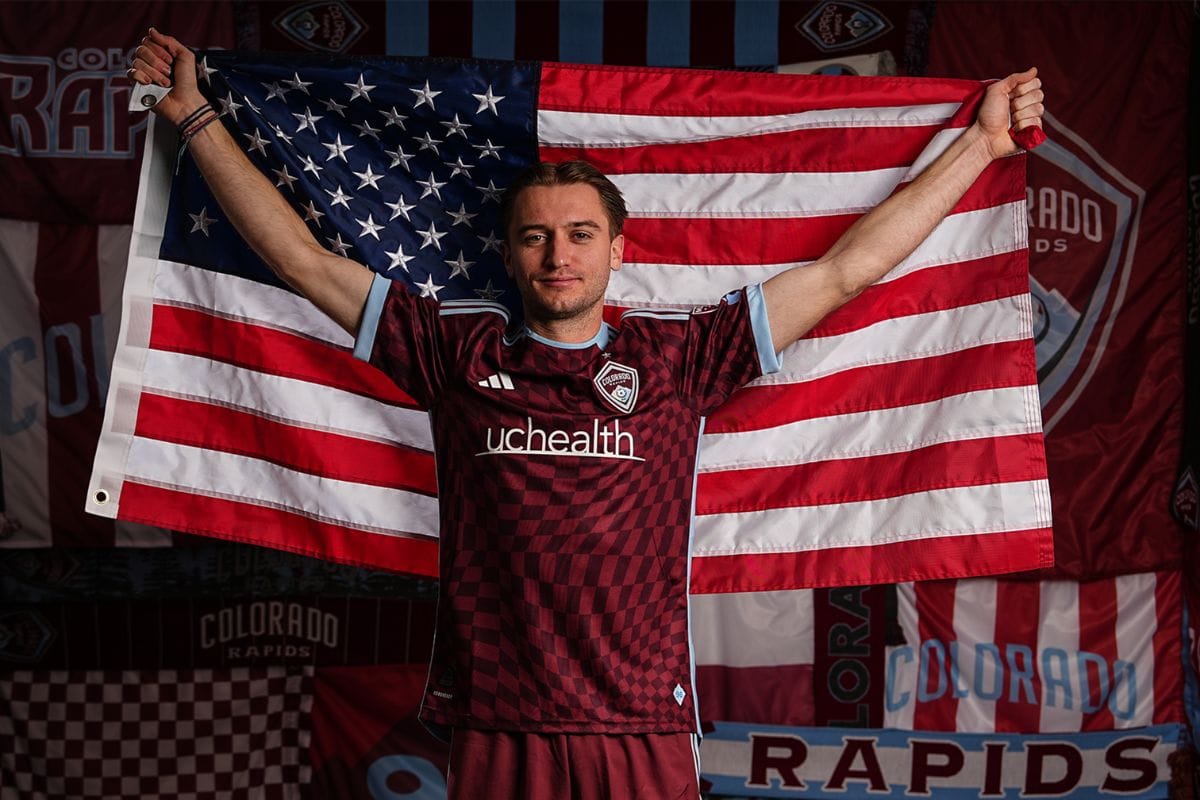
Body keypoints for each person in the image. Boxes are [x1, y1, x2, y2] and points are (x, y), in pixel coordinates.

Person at [129, 28, 1044, 800]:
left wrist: (981, 147)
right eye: (535, 236)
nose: (557, 255)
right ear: (510, 254)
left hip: (639, 723)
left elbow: (846, 271)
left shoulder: (680, 358)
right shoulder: (456, 352)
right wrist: (196, 117)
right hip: (500, 721)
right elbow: (300, 259)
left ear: (617, 250)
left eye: (578, 235)